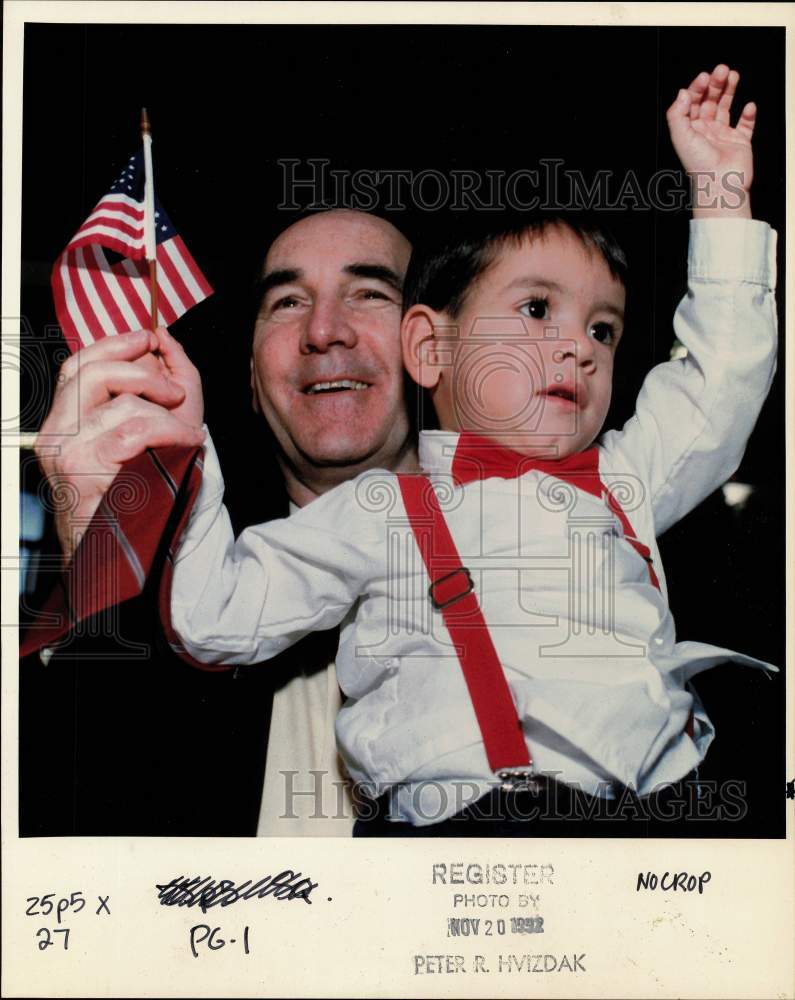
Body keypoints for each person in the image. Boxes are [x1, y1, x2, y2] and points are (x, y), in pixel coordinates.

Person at [168, 65, 779, 835]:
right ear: (429, 346)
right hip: (459, 834)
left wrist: (721, 197)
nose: (579, 348)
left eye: (603, 329)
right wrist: (178, 447)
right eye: (535, 309)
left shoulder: (623, 481)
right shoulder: (384, 509)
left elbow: (719, 383)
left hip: (649, 822)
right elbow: (217, 617)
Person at [32, 208, 415, 836]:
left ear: (433, 348)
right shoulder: (182, 611)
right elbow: (57, 835)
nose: (323, 331)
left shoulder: (543, 575)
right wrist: (94, 546)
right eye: (288, 302)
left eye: (370, 293)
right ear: (254, 384)